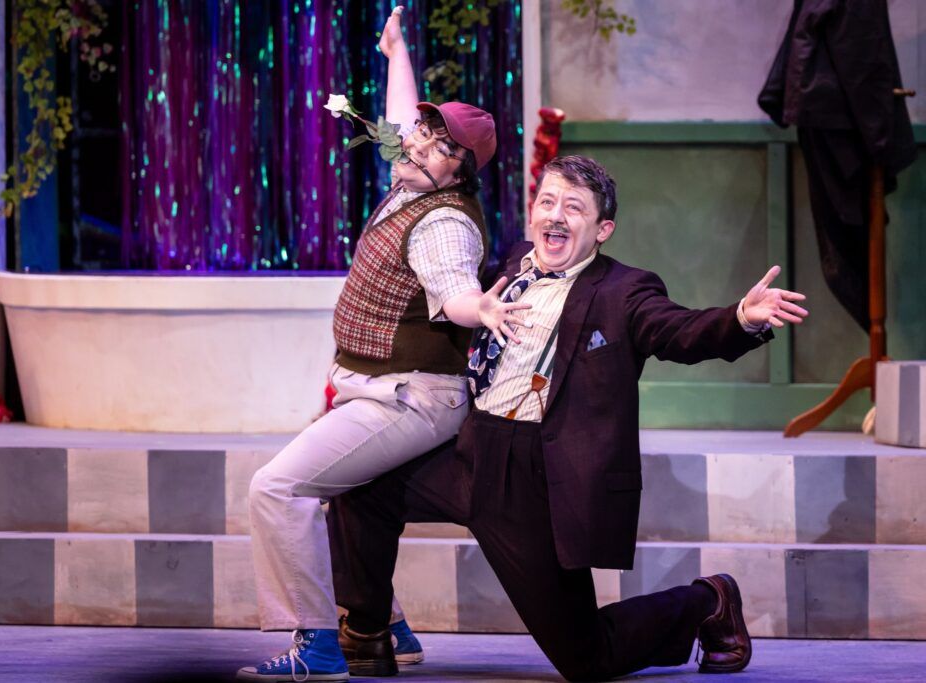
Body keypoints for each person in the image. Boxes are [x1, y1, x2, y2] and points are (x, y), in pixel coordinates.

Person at [326, 154, 809, 681]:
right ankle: (368, 631)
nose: (555, 216)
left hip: (532, 475)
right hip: (468, 450)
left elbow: (681, 331)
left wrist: (741, 319)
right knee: (360, 485)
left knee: (586, 659)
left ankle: (706, 602)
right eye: (547, 202)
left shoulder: (625, 291)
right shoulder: (508, 267)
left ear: (603, 229)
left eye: (573, 208)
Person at [236, 7, 526, 682]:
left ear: (459, 170)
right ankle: (387, 622)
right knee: (340, 492)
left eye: (435, 147)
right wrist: (397, 52)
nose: (417, 148)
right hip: (373, 387)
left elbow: (451, 282)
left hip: (412, 397)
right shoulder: (412, 174)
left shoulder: (444, 223)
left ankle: (319, 641)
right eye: (421, 138)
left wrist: (476, 306)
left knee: (276, 489)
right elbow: (398, 120)